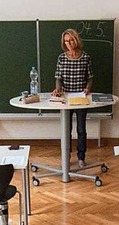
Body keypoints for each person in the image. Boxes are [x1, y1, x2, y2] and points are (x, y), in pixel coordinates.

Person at [51, 28, 94, 168]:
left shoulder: (85, 57)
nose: (69, 43)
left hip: (81, 98)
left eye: (71, 40)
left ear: (76, 40)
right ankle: (66, 156)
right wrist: (58, 89)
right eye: (66, 41)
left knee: (81, 129)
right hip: (65, 98)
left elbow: (90, 77)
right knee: (66, 129)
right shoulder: (61, 58)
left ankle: (81, 156)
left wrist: (88, 88)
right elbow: (58, 77)